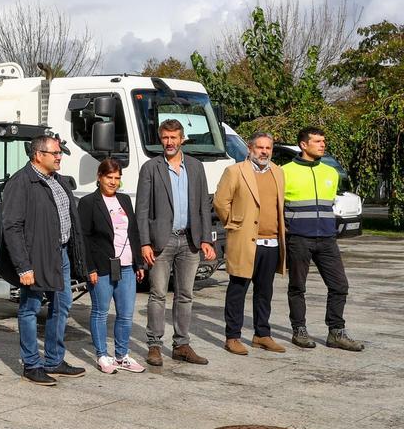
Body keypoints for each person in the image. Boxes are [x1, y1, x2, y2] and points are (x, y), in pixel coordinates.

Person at [0, 134, 88, 386]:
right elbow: (12, 227)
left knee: (62, 306)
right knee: (30, 308)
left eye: (59, 153)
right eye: (55, 153)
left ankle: (54, 360)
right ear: (38, 155)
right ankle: (31, 364)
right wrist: (23, 266)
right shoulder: (22, 182)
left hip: (59, 254)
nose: (60, 157)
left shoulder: (57, 180)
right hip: (35, 257)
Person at [135, 119, 216, 366]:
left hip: (190, 240)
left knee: (185, 295)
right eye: (165, 138)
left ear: (182, 139)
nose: (169, 142)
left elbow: (204, 205)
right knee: (158, 294)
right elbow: (142, 209)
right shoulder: (151, 167)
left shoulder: (196, 167)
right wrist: (144, 243)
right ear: (161, 139)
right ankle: (154, 346)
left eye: (174, 138)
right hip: (162, 241)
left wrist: (205, 238)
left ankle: (181, 344)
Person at [283, 127, 364, 351]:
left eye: (323, 141)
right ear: (303, 145)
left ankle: (336, 332)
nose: (322, 145)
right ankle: (299, 330)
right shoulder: (284, 172)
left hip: (327, 239)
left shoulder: (330, 172)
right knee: (297, 286)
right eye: (317, 141)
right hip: (299, 238)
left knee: (340, 285)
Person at [213, 133, 286, 355]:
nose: (264, 152)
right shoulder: (235, 171)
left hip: (271, 242)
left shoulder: (278, 172)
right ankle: (232, 336)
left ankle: (261, 334)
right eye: (259, 147)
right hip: (245, 241)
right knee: (238, 290)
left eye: (268, 148)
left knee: (265, 291)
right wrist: (234, 224)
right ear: (250, 148)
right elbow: (220, 201)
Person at [78, 159, 146, 374]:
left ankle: (122, 355)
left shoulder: (125, 200)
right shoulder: (89, 202)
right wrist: (90, 268)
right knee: (100, 311)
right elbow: (84, 239)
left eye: (117, 178)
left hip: (126, 266)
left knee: (126, 314)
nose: (113, 182)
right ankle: (101, 355)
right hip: (101, 266)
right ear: (99, 177)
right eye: (109, 177)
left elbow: (132, 233)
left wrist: (139, 263)